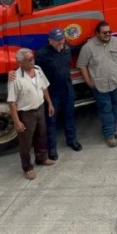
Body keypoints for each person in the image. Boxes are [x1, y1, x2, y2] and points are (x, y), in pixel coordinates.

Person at [31, 27, 82, 159]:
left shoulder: (66, 47)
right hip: (52, 92)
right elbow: (33, 71)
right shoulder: (42, 54)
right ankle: (52, 148)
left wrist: (89, 42)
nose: (61, 42)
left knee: (69, 116)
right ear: (50, 41)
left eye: (62, 39)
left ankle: (72, 141)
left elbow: (76, 49)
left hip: (67, 88)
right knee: (51, 121)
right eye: (58, 40)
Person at [77, 21, 117, 147]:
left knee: (114, 107)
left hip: (116, 82)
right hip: (99, 85)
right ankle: (109, 135)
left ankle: (113, 128)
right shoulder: (88, 47)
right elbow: (81, 65)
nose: (108, 34)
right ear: (97, 34)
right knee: (106, 109)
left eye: (109, 32)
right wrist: (88, 81)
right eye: (104, 33)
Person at [7, 48, 55, 180]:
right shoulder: (15, 78)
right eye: (29, 59)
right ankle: (27, 168)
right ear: (20, 62)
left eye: (33, 58)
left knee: (41, 135)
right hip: (26, 113)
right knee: (26, 142)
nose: (33, 61)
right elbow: (12, 103)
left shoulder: (38, 70)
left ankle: (42, 158)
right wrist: (17, 122)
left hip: (40, 109)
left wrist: (49, 103)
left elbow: (44, 87)